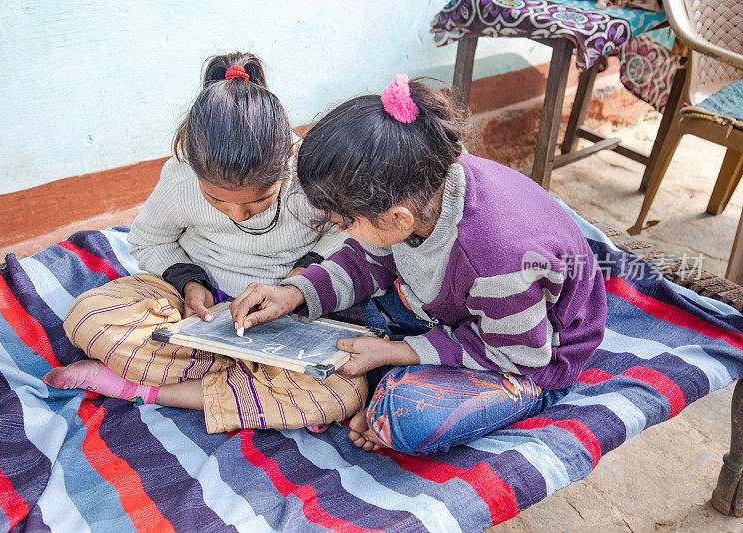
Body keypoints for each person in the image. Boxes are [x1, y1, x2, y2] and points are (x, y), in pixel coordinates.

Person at [229, 74, 607, 455]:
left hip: (530, 358)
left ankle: (390, 396)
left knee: (407, 417)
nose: (339, 230)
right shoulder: (418, 182)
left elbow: (520, 357)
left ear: (398, 220)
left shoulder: (496, 262)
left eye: (345, 223)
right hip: (454, 311)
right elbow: (365, 261)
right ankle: (389, 376)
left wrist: (399, 352)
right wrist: (294, 293)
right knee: (312, 313)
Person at [43, 52, 374, 434]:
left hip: (287, 315)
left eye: (257, 201)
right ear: (194, 168)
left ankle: (137, 387)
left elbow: (346, 232)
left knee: (342, 392)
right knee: (90, 319)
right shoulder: (181, 176)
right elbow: (150, 240)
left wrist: (301, 280)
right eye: (217, 200)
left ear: (286, 164)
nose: (237, 215)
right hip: (190, 307)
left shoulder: (309, 173)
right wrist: (190, 283)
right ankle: (256, 382)